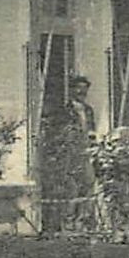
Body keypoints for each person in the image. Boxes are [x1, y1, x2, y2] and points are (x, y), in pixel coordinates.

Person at [40, 75, 96, 234]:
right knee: (71, 189)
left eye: (84, 90)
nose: (81, 92)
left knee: (88, 186)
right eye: (78, 89)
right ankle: (68, 224)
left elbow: (91, 130)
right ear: (71, 90)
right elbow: (58, 132)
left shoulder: (88, 111)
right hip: (70, 155)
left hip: (86, 153)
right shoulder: (65, 110)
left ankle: (82, 223)